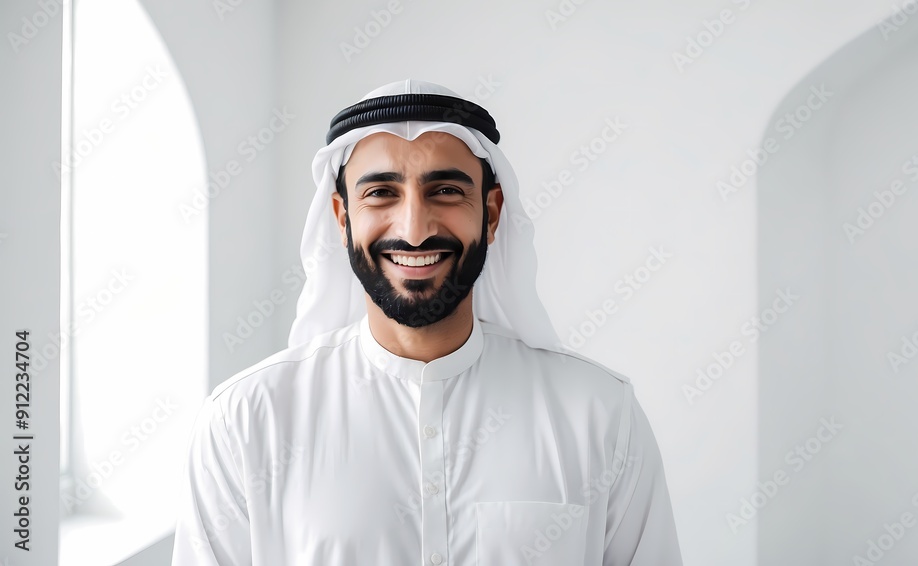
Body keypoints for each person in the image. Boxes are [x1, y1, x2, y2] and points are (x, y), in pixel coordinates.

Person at [171, 79, 683, 565]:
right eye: (381, 193)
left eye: (445, 191)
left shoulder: (598, 413)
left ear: (492, 211)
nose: (414, 230)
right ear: (342, 217)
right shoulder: (245, 422)